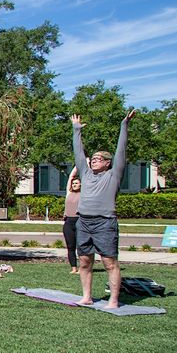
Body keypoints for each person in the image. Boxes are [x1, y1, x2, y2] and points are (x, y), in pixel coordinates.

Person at [72, 109, 135, 308]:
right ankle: (87, 297)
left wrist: (124, 126)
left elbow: (121, 151)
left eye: (100, 158)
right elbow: (78, 153)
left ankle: (113, 300)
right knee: (84, 261)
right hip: (83, 222)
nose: (95, 160)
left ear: (108, 163)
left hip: (104, 222)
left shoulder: (113, 175)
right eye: (94, 158)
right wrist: (76, 130)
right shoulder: (85, 173)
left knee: (109, 262)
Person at [63, 166, 81, 274]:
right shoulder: (68, 194)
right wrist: (77, 166)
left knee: (82, 247)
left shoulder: (84, 194)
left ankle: (83, 268)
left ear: (81, 184)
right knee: (70, 246)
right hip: (68, 222)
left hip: (80, 221)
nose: (74, 185)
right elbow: (71, 176)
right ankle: (74, 268)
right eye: (73, 184)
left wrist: (86, 165)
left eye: (76, 183)